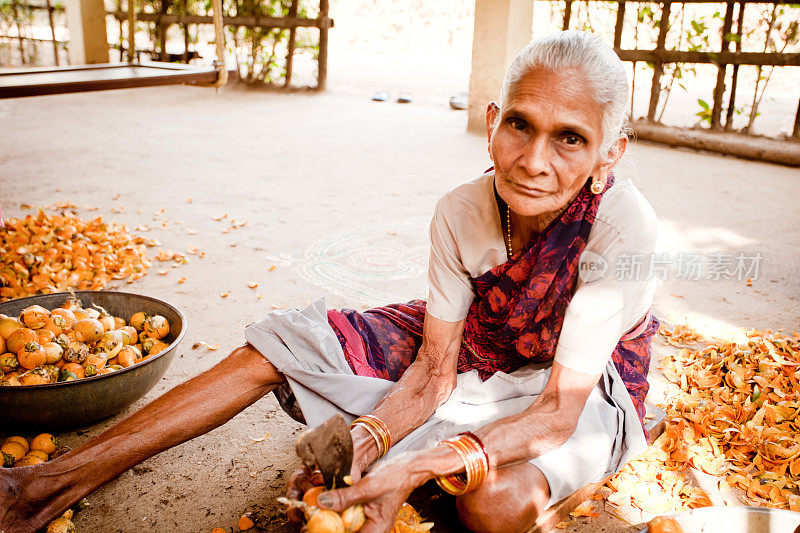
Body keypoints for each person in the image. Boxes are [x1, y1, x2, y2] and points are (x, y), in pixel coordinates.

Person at [0, 30, 659, 533]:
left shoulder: (620, 227)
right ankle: (44, 484)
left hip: (579, 381)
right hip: (477, 350)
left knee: (492, 502)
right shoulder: (461, 212)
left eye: (570, 138)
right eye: (520, 124)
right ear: (493, 122)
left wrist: (413, 462)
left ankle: (455, 461)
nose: (534, 161)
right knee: (278, 348)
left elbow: (558, 409)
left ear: (610, 152)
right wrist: (368, 437)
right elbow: (433, 374)